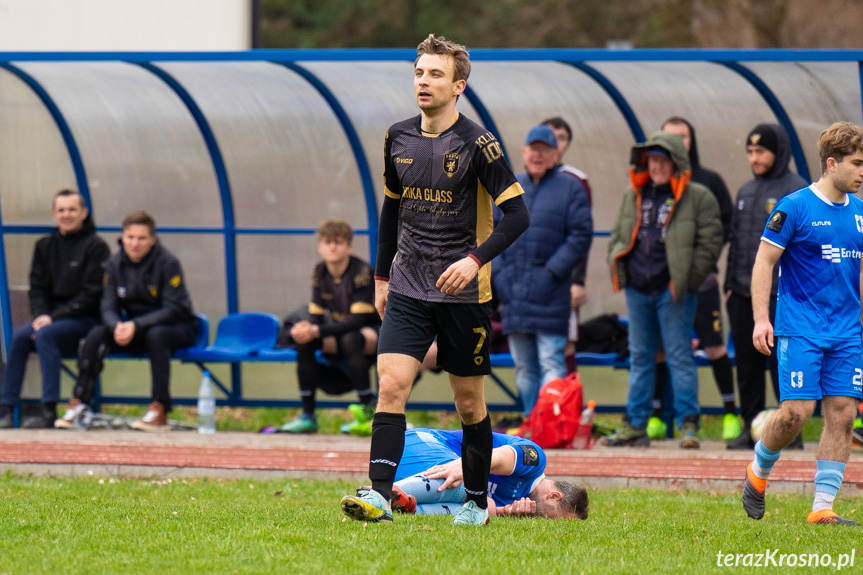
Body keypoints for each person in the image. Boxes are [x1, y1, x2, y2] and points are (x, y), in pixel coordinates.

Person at [339, 34, 530, 526]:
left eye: (436, 74)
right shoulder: (396, 136)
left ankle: (473, 500)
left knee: (468, 403)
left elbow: (517, 215)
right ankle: (378, 494)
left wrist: (474, 259)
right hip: (407, 285)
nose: (424, 81)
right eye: (420, 72)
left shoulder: (478, 144)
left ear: (459, 85)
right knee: (391, 385)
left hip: (463, 293)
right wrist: (382, 277)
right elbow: (391, 208)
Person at [743, 121, 863, 526]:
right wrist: (762, 318)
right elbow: (764, 262)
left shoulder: (861, 214)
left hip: (847, 331)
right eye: (857, 164)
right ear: (832, 163)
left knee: (844, 412)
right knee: (796, 413)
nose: (862, 173)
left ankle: (822, 508)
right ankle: (758, 471)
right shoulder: (794, 206)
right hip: (801, 327)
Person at [604, 131, 722, 449]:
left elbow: (711, 241)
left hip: (674, 292)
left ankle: (688, 425)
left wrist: (685, 280)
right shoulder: (635, 194)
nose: (656, 166)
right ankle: (635, 425)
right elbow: (618, 234)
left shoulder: (698, 196)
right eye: (652, 160)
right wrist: (616, 260)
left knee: (679, 356)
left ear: (676, 163)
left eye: (663, 160)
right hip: (638, 290)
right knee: (641, 357)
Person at [55, 211, 198, 432]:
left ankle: (159, 408)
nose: (135, 243)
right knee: (96, 334)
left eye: (141, 238)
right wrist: (116, 326)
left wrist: (135, 325)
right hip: (134, 328)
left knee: (157, 335)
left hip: (177, 327)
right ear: (122, 237)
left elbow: (173, 308)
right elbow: (108, 305)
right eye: (130, 237)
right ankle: (79, 404)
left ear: (152, 239)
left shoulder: (168, 263)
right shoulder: (114, 264)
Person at [647, 117, 738, 442]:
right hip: (663, 286)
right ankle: (656, 416)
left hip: (702, 283)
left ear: (692, 140)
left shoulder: (707, 181)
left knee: (714, 346)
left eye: (683, 137)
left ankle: (730, 412)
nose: (677, 143)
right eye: (670, 137)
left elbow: (724, 225)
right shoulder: (654, 184)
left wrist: (703, 264)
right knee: (661, 350)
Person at [492, 124, 592, 423]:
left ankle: (552, 423)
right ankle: (531, 424)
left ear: (555, 154)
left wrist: (551, 273)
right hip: (513, 294)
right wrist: (500, 276)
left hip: (551, 294)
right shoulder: (510, 187)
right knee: (524, 366)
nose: (538, 155)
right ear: (523, 153)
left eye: (544, 150)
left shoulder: (570, 187)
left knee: (551, 361)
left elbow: (580, 235)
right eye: (533, 149)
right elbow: (493, 234)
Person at [725, 123, 808, 450]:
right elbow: (735, 241)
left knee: (781, 363)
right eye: (749, 151)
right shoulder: (745, 191)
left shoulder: (796, 190)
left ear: (778, 152)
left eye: (760, 151)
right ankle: (752, 427)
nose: (754, 157)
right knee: (746, 364)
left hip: (781, 296)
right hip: (743, 293)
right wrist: (731, 284)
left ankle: (791, 431)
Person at [0, 190, 110, 429]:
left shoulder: (96, 246)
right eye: (61, 210)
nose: (66, 215)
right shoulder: (44, 246)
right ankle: (6, 408)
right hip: (49, 320)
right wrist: (41, 315)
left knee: (45, 335)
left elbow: (92, 295)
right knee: (20, 337)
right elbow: (37, 288)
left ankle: (48, 409)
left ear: (84, 213)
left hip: (85, 321)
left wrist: (52, 318)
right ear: (54, 214)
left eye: (72, 210)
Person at [279, 220, 380, 436]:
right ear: (320, 247)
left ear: (349, 247)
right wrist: (306, 328)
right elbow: (316, 314)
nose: (332, 247)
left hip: (372, 330)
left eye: (338, 242)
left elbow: (358, 321)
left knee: (351, 339)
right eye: (327, 242)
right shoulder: (319, 270)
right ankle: (308, 416)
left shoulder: (362, 271)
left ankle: (369, 413)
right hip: (340, 330)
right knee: (304, 340)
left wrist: (317, 331)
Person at [386, 427, 588, 519]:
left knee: (484, 509)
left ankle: (403, 506)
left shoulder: (519, 505)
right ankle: (378, 494)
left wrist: (505, 512)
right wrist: (465, 465)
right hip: (422, 443)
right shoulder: (535, 460)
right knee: (475, 489)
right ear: (554, 496)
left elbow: (483, 507)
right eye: (558, 519)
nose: (548, 521)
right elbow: (499, 457)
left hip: (415, 475)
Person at [542, 116, 593, 376]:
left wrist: (577, 280)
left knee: (565, 346)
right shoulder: (525, 180)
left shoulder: (575, 180)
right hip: (530, 281)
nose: (554, 142)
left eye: (561, 137)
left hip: (562, 279)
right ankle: (538, 414)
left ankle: (571, 413)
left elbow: (581, 235)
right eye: (550, 135)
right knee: (533, 348)